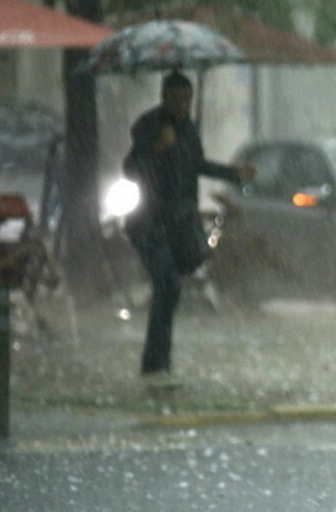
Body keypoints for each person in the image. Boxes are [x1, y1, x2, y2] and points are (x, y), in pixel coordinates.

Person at [123, 70, 255, 379]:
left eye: (187, 99)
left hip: (179, 224)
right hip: (150, 223)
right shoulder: (148, 126)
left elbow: (198, 165)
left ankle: (159, 361)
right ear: (164, 98)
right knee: (167, 284)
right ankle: (155, 365)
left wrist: (234, 173)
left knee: (171, 291)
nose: (182, 105)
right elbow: (131, 169)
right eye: (176, 99)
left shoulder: (189, 131)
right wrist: (157, 149)